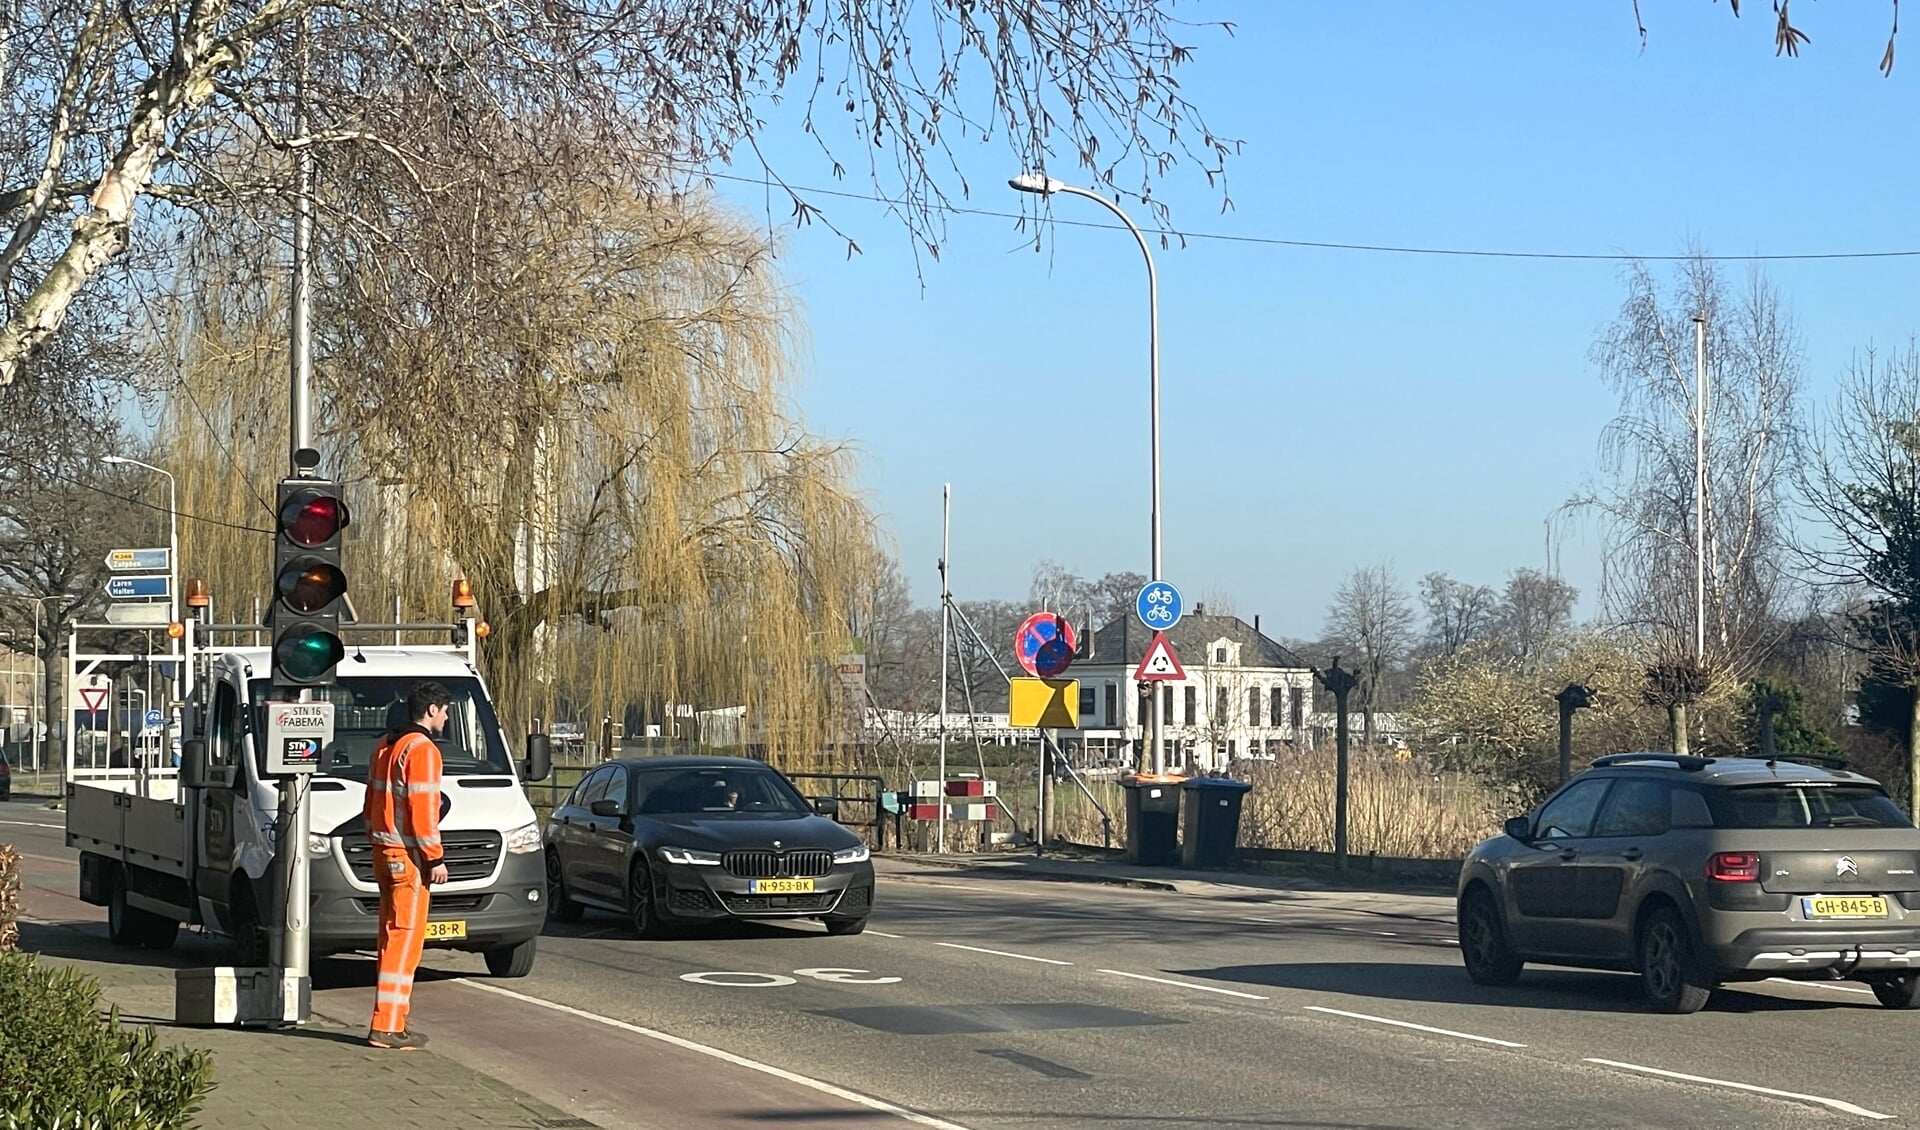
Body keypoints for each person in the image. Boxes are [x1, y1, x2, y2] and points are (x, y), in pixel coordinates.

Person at [362, 682, 451, 1050]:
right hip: (408, 858)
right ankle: (386, 1026)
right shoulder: (423, 751)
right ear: (430, 710)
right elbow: (423, 811)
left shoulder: (385, 746)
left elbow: (371, 804)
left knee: (389, 938)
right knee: (406, 941)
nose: (446, 717)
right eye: (444, 710)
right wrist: (435, 858)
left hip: (383, 851)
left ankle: (393, 1021)